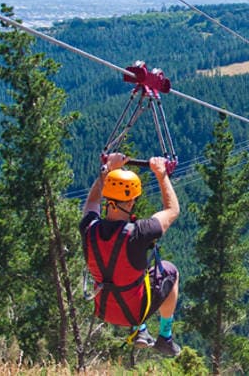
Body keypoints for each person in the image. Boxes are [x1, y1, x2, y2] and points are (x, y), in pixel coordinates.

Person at [81, 152, 182, 357]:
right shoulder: (139, 233)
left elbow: (92, 202)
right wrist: (161, 175)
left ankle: (141, 331)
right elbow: (172, 210)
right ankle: (165, 337)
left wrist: (106, 171)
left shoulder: (88, 228)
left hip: (104, 307)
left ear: (108, 197)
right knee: (171, 272)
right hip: (134, 310)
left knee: (122, 272)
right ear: (130, 203)